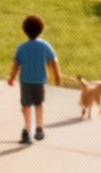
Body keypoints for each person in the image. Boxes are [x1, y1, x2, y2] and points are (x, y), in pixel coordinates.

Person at [7, 14, 61, 144]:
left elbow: (16, 65)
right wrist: (57, 77)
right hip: (39, 81)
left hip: (25, 81)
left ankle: (26, 130)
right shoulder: (45, 46)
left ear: (24, 30)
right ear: (41, 29)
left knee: (25, 106)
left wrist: (12, 78)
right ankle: (39, 128)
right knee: (39, 104)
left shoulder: (22, 48)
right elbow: (54, 62)